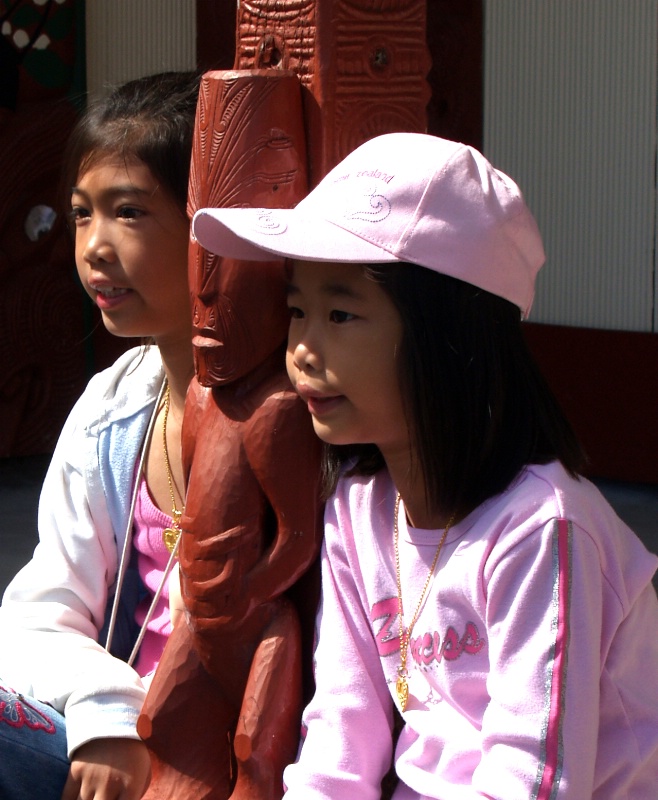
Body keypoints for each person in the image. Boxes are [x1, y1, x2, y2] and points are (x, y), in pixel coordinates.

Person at [190, 132, 658, 799]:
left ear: (448, 335)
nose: (302, 348)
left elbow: (536, 779)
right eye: (298, 309)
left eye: (341, 312)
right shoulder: (359, 512)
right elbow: (340, 733)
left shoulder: (541, 530)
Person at [0, 71, 199, 800]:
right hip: (110, 743)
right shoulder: (113, 408)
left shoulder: (307, 413)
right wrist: (109, 714)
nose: (95, 248)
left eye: (129, 213)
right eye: (83, 215)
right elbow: (36, 616)